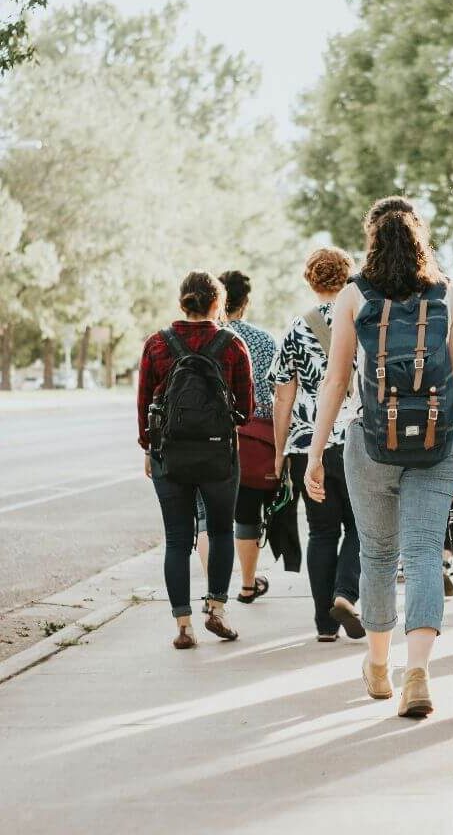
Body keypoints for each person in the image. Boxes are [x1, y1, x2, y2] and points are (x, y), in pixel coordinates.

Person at [305, 196, 453, 718]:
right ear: (421, 239)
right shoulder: (450, 295)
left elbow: (336, 381)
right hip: (438, 442)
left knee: (378, 555)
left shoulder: (353, 296)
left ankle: (378, 667)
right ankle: (418, 671)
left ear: (372, 241)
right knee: (423, 553)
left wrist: (315, 452)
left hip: (372, 443)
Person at [137, 271, 253, 648]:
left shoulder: (156, 344)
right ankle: (217, 609)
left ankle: (183, 626)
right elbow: (245, 411)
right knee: (220, 532)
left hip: (169, 454)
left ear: (182, 302)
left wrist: (147, 449)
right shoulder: (232, 345)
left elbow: (144, 405)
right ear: (217, 305)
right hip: (219, 454)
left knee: (176, 539)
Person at [272, 247, 365, 643]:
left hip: (310, 446)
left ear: (310, 281)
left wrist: (280, 453)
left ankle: (324, 624)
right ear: (347, 278)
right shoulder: (363, 320)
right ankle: (345, 594)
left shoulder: (295, 328)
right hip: (356, 441)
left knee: (322, 532)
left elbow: (283, 397)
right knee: (362, 528)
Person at [216, 270, 278, 604]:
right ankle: (247, 582)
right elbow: (274, 396)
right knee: (247, 513)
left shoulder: (207, 338)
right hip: (253, 441)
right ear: (245, 302)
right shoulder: (264, 340)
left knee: (207, 516)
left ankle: (215, 593)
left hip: (210, 438)